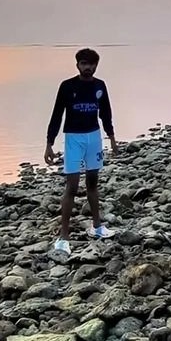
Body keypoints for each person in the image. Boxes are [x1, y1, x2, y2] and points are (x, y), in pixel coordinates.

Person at [44, 47, 119, 256]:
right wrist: (49, 143)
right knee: (72, 186)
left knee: (92, 183)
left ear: (96, 65)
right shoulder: (67, 86)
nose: (88, 67)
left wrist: (112, 139)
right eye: (84, 64)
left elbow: (106, 113)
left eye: (92, 64)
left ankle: (97, 227)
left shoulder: (100, 86)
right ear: (77, 65)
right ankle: (63, 237)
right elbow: (57, 114)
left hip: (93, 137)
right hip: (73, 138)